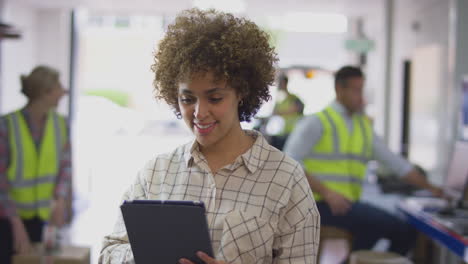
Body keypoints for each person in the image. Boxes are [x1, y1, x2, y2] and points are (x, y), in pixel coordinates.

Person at [99, 8, 320, 264]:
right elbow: (108, 253)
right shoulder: (156, 173)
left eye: (215, 98)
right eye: (187, 99)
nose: (200, 113)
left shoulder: (286, 180)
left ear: (242, 93)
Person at [284, 65, 443, 256]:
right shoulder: (317, 122)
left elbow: (395, 163)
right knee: (400, 230)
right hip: (318, 204)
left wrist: (432, 188)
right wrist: (328, 193)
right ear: (339, 90)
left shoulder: (363, 127)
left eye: (362, 90)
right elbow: (289, 163)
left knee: (381, 227)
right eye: (356, 90)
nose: (361, 97)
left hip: (347, 204)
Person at [0, 65, 71, 264]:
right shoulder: (7, 125)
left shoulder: (61, 124)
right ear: (44, 92)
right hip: (8, 220)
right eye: (59, 87)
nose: (64, 91)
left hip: (45, 219)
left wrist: (60, 200)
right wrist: (15, 223)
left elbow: (66, 168)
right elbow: (1, 180)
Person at [271, 74, 304, 150]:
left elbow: (296, 109)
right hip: (282, 133)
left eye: (280, 83)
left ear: (285, 83)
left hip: (293, 133)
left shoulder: (293, 98)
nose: (279, 85)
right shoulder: (279, 100)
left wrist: (280, 112)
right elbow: (274, 113)